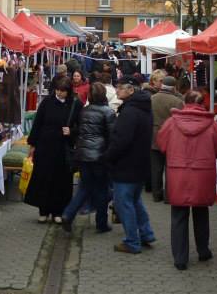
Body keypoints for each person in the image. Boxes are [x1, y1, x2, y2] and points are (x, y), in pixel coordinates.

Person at [157, 91, 217, 270]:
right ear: (202, 104)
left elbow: (161, 143)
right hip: (203, 173)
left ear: (185, 102)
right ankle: (203, 251)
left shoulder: (172, 122)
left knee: (178, 216)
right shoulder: (212, 125)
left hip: (178, 174)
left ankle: (180, 259)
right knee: (201, 213)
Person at [104, 76, 156, 254]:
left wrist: (108, 157)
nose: (117, 90)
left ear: (130, 90)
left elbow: (121, 141)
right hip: (140, 162)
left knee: (123, 203)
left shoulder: (130, 112)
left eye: (120, 88)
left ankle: (132, 241)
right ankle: (146, 234)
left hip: (126, 164)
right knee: (135, 201)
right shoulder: (144, 108)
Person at [24, 76, 81, 223]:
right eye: (57, 90)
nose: (59, 93)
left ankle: (59, 211)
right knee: (44, 178)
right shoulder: (47, 102)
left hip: (63, 148)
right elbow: (37, 124)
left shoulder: (75, 104)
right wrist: (33, 145)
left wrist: (72, 131)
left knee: (61, 181)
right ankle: (43, 210)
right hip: (45, 147)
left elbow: (81, 126)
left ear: (68, 91)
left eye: (62, 91)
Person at [61, 82, 115, 234]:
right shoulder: (108, 112)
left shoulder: (84, 111)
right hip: (99, 156)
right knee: (102, 190)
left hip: (83, 155)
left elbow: (79, 131)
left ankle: (68, 214)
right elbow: (111, 136)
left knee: (84, 188)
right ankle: (101, 223)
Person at [150, 75, 183, 202]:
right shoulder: (177, 102)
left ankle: (156, 194)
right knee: (170, 168)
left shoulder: (151, 99)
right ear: (174, 87)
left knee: (156, 168)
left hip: (154, 136)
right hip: (171, 137)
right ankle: (169, 196)